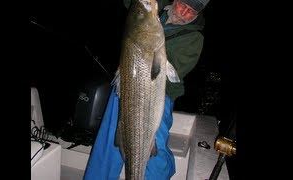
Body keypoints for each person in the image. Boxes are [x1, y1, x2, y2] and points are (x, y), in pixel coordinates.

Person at [83, 0, 210, 179]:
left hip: (159, 94)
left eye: (191, 12)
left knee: (154, 148)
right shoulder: (155, 11)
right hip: (124, 88)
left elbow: (173, 70)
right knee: (109, 142)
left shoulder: (194, 38)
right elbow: (132, 5)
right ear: (175, 0)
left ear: (198, 15)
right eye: (183, 5)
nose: (183, 13)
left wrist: (152, 47)